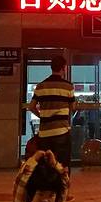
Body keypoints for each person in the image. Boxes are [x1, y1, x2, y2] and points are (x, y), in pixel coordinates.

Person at [28, 55, 76, 193]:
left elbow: (31, 106)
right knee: (63, 163)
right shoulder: (68, 86)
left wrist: (42, 116)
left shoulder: (41, 86)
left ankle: (46, 193)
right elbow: (73, 106)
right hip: (62, 131)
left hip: (45, 133)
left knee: (46, 164)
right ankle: (64, 193)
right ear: (63, 68)